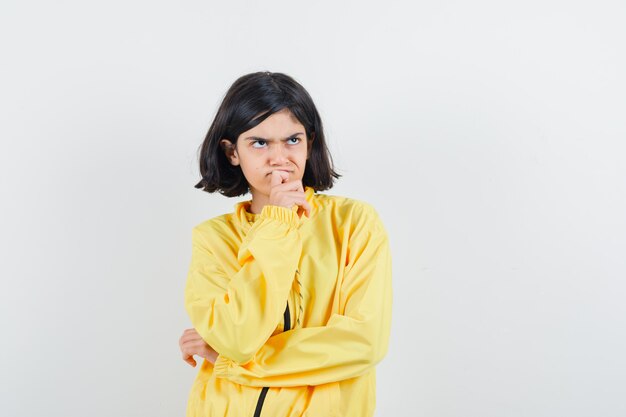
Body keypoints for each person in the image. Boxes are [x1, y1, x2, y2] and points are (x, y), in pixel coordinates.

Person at [178, 71, 393, 417]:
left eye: (292, 140)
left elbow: (363, 343)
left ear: (309, 143)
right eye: (259, 143)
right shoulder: (212, 239)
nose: (280, 158)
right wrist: (277, 224)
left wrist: (235, 363)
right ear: (232, 152)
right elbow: (238, 337)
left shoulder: (354, 223)